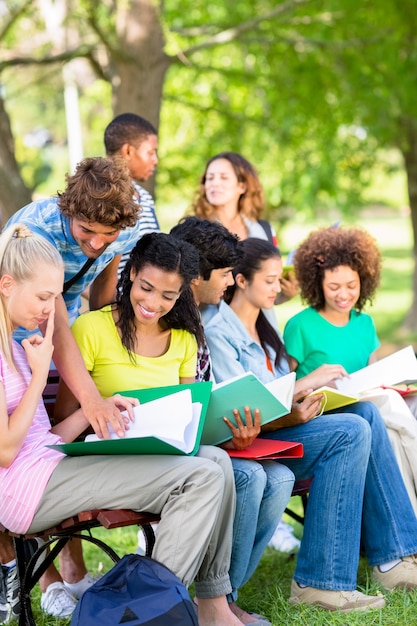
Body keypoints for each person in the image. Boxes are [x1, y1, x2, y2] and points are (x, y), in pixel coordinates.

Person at [0, 223, 245, 626]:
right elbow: (7, 450)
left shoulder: (14, 345)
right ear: (7, 284)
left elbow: (40, 439)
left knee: (215, 460)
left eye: (55, 297)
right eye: (44, 297)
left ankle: (209, 606)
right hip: (27, 493)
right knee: (200, 477)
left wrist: (95, 408)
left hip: (48, 468)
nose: (49, 310)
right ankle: (146, 617)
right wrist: (40, 378)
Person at [204, 236, 417, 612]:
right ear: (241, 281)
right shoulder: (220, 331)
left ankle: (394, 557)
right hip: (252, 445)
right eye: (269, 280)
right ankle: (320, 583)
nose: (279, 288)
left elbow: (279, 392)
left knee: (364, 413)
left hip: (281, 431)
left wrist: (302, 401)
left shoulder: (264, 324)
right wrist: (305, 386)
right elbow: (242, 411)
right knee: (351, 431)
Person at [2, 156, 144, 618]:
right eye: (86, 231)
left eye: (107, 235)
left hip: (53, 342)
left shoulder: (113, 230)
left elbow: (102, 296)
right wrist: (90, 397)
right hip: (20, 347)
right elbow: (57, 318)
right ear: (69, 210)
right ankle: (46, 579)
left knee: (63, 443)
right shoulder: (37, 230)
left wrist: (106, 352)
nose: (96, 243)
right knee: (25, 458)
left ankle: (75, 568)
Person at [170, 217, 295, 625]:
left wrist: (231, 430)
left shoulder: (205, 313)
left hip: (209, 436)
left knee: (279, 478)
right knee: (249, 478)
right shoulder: (177, 316)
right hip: (177, 443)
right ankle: (216, 601)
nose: (229, 283)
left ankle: (226, 595)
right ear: (197, 273)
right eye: (225, 274)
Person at [283, 225, 417, 513]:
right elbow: (283, 391)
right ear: (317, 284)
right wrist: (314, 380)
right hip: (327, 415)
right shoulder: (301, 326)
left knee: (394, 429)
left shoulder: (364, 323)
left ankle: (408, 519)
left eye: (351, 286)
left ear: (364, 281)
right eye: (334, 287)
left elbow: (375, 374)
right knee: (393, 411)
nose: (343, 295)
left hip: (368, 410)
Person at [191, 151, 298, 305]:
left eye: (224, 177)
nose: (215, 183)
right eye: (210, 178)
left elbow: (266, 294)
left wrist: (284, 295)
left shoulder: (265, 231)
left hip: (256, 327)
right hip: (208, 325)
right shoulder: (193, 230)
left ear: (242, 186)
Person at [104, 112, 160, 276]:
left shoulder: (144, 197)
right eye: (150, 152)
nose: (155, 160)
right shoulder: (99, 198)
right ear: (128, 151)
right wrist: (115, 301)